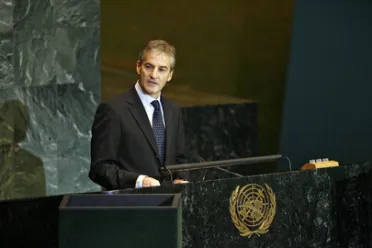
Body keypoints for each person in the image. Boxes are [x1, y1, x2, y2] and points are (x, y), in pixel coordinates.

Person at [89, 40, 188, 190]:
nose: (154, 75)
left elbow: (180, 160)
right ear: (138, 67)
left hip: (169, 206)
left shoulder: (173, 110)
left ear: (170, 75)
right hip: (131, 206)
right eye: (149, 67)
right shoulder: (113, 109)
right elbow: (100, 168)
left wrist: (181, 178)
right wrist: (140, 181)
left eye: (162, 69)